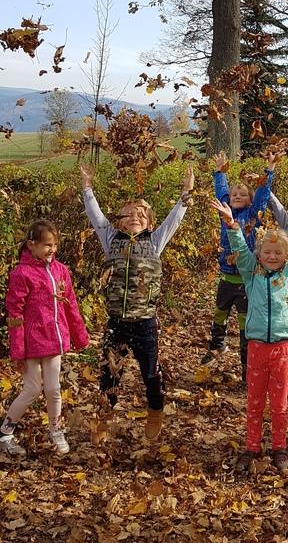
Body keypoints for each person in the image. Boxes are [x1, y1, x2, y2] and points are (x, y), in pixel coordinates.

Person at [80, 163, 194, 443]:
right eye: (129, 214)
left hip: (145, 321)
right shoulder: (111, 238)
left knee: (150, 372)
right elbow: (95, 217)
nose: (134, 217)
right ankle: (106, 415)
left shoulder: (155, 241)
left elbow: (174, 221)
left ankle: (155, 410)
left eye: (141, 214)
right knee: (109, 373)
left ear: (150, 222)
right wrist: (87, 188)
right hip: (116, 321)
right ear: (119, 220)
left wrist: (185, 194)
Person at [211, 196, 288, 475]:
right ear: (259, 255)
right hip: (257, 346)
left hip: (283, 347)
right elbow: (239, 247)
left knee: (281, 401)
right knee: (255, 399)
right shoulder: (252, 274)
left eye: (278, 252)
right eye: (267, 252)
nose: (272, 256)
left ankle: (279, 448)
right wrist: (231, 224)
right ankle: (252, 446)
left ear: (287, 255)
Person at [0, 219, 89, 457]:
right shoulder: (22, 273)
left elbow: (71, 306)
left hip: (54, 342)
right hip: (31, 344)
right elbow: (15, 313)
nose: (52, 249)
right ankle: (6, 432)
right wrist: (18, 350)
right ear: (32, 245)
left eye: (55, 245)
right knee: (31, 389)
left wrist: (80, 336)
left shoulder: (61, 271)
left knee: (53, 389)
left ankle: (56, 429)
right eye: (47, 245)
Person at [202, 152, 275, 379]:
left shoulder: (254, 215)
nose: (237, 196)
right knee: (220, 312)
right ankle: (218, 344)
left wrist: (268, 172)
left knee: (245, 324)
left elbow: (263, 195)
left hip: (246, 280)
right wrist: (220, 171)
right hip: (226, 277)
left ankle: (246, 366)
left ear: (250, 200)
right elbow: (220, 192)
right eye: (234, 193)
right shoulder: (227, 214)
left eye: (243, 194)